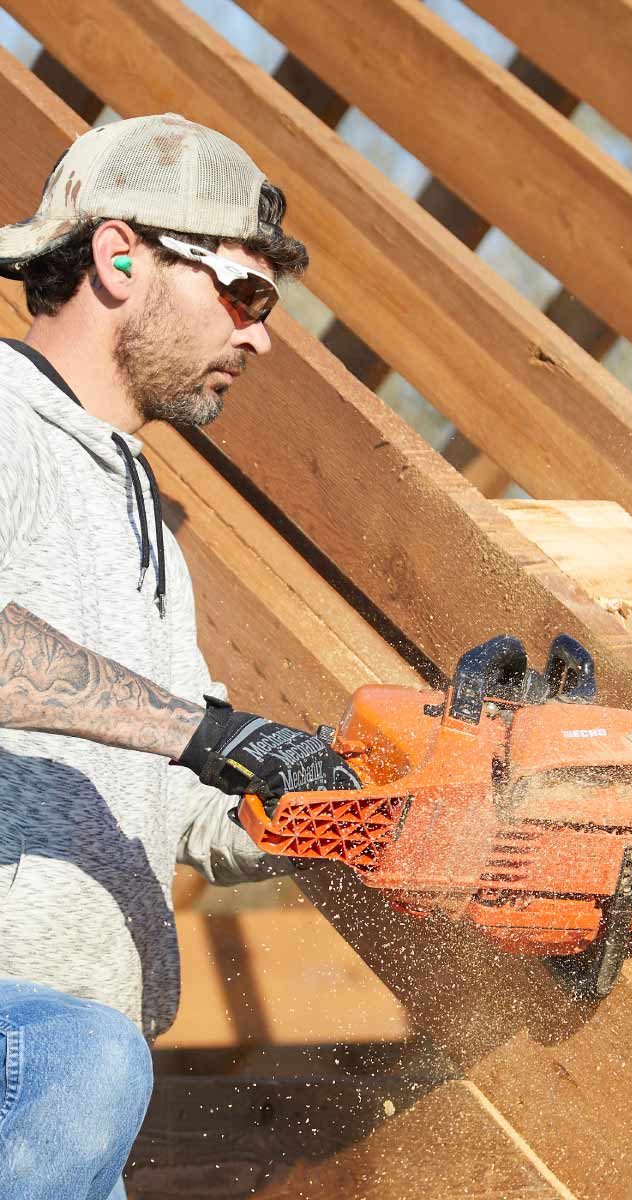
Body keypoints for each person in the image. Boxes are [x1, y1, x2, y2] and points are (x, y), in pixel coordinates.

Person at [0, 113, 360, 1199]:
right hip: (44, 1058)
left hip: (73, 1094)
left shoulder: (139, 505)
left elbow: (183, 792)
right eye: (245, 294)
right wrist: (209, 732)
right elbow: (185, 733)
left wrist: (338, 801)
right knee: (80, 1059)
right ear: (120, 258)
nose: (261, 336)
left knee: (89, 1062)